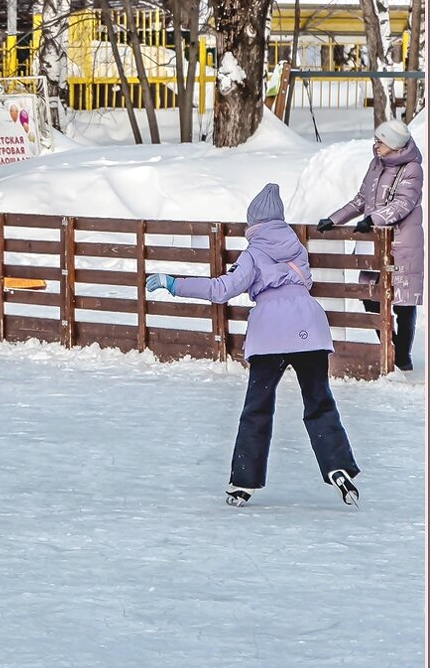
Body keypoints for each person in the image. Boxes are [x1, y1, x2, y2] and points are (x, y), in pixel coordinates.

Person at [147, 183, 361, 508]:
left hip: (271, 334)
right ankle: (338, 466)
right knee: (319, 401)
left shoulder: (253, 254)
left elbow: (222, 289)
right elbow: (303, 283)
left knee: (257, 408)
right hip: (309, 328)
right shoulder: (297, 249)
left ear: (254, 223)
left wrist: (174, 284)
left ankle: (243, 483)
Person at [317, 118, 423, 372]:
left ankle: (402, 358)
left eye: (380, 141)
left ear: (394, 145)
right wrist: (334, 219)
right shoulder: (376, 164)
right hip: (374, 243)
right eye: (375, 140)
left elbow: (403, 204)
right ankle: (391, 346)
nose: (375, 145)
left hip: (402, 245)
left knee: (403, 302)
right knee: (368, 295)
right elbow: (361, 199)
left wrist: (373, 220)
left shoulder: (412, 169)